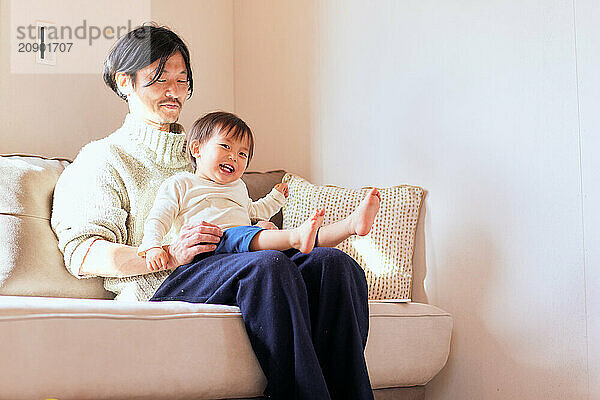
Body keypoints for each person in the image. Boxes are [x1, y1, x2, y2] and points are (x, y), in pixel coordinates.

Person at [51, 23, 375, 399]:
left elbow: (234, 220)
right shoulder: (102, 159)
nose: (174, 91)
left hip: (224, 269)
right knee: (266, 266)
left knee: (335, 265)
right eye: (158, 79)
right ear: (125, 82)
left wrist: (260, 223)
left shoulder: (208, 153)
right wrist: (167, 254)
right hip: (167, 285)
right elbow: (83, 252)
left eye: (182, 80)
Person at [139, 111, 381, 272]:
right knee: (268, 233)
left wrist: (276, 198)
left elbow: (254, 210)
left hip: (242, 243)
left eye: (243, 153)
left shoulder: (238, 186)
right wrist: (152, 246)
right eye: (225, 146)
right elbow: (158, 218)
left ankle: (349, 226)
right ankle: (297, 236)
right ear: (196, 149)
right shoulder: (181, 183)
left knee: (290, 242)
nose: (234, 156)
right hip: (213, 248)